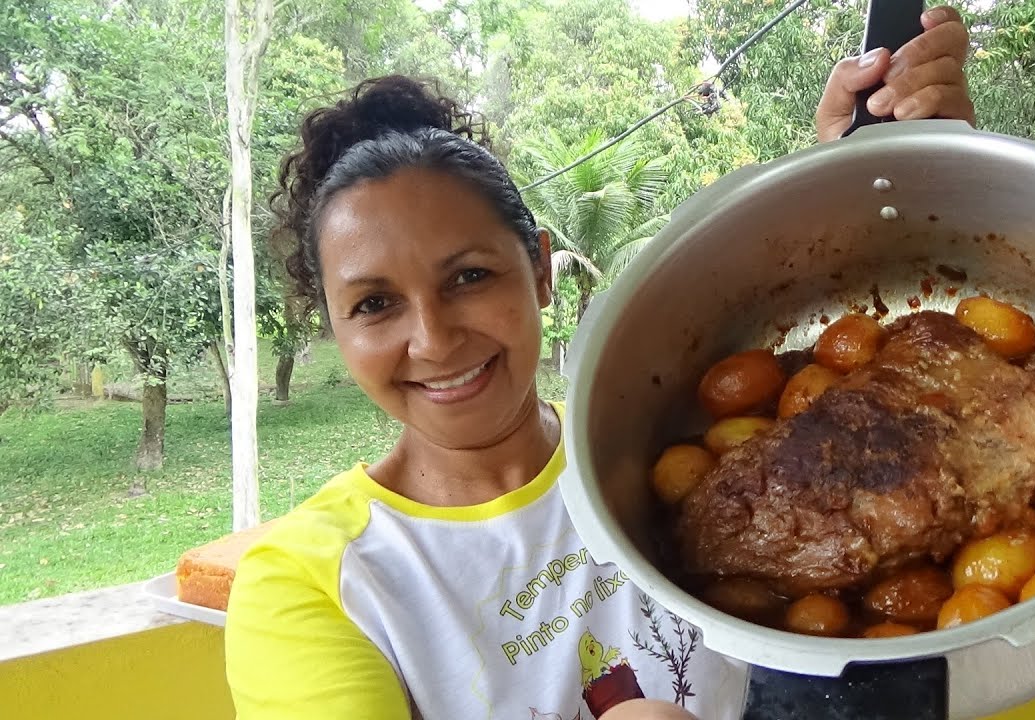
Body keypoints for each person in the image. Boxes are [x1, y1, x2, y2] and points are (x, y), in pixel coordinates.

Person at [224, 7, 976, 720]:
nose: (433, 339)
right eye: (374, 304)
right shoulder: (314, 582)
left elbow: (865, 387)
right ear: (335, 327)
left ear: (542, 270)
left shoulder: (658, 443)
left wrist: (899, 170)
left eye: (468, 278)